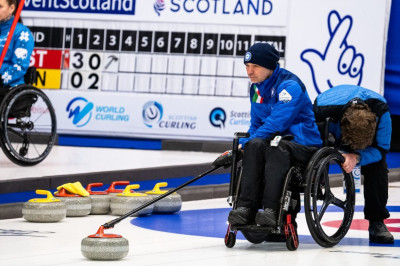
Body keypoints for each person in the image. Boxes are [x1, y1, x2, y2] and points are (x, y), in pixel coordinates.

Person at [227, 42, 322, 228]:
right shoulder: (256, 88)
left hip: (303, 143)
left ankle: (272, 210)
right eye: (247, 66)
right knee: (255, 146)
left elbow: (276, 123)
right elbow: (256, 124)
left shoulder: (289, 86)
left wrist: (247, 142)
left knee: (274, 147)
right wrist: (245, 143)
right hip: (275, 143)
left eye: (255, 66)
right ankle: (246, 208)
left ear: (269, 66)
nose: (249, 71)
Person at [313, 84, 394, 244]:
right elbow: (307, 135)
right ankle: (287, 217)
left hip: (363, 137)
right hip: (330, 122)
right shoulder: (322, 109)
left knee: (378, 167)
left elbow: (381, 148)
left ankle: (377, 222)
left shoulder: (382, 113)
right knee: (305, 153)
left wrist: (356, 157)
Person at [0, 0, 34, 90]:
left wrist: (2, 78)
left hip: (8, 88)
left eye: (0, 7)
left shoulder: (22, 33)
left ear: (11, 8)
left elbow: (19, 67)